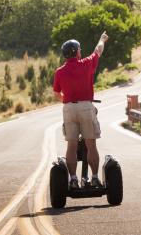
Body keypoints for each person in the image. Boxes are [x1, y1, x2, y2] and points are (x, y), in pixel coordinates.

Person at [53, 31, 108, 189]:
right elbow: (98, 50)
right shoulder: (86, 63)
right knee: (91, 144)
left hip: (69, 108)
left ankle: (73, 179)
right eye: (79, 50)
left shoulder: (59, 72)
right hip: (86, 107)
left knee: (71, 146)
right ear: (76, 52)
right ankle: (95, 178)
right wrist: (102, 38)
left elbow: (56, 94)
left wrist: (68, 99)